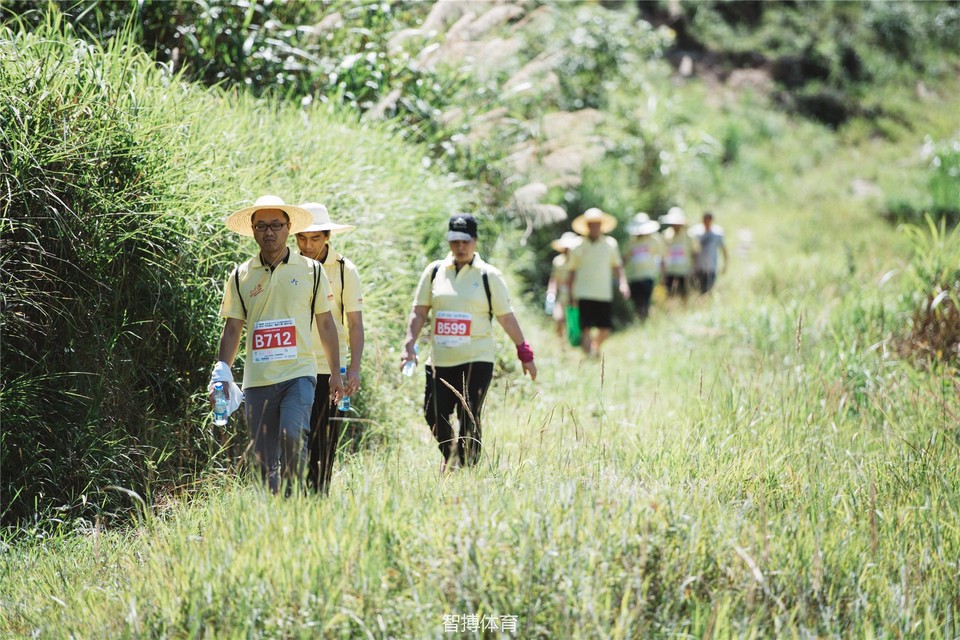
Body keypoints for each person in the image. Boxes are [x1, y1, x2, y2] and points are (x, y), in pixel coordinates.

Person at [209, 195, 344, 495]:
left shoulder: (312, 271)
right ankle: (274, 512)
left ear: (288, 228)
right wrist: (221, 374)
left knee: (293, 435)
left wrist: (336, 372)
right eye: (262, 226)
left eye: (276, 225)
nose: (269, 232)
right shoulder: (240, 275)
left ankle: (295, 500)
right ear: (254, 231)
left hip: (299, 374)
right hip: (257, 381)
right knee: (263, 457)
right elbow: (232, 328)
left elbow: (326, 323)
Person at [400, 213, 537, 471]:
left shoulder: (489, 276)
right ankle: (452, 458)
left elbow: (506, 318)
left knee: (469, 416)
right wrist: (409, 345)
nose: (460, 247)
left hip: (477, 358)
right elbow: (419, 311)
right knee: (433, 414)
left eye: (465, 241)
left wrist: (524, 352)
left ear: (475, 241)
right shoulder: (434, 272)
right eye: (454, 241)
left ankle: (467, 471)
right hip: (440, 359)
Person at [295, 202, 364, 495]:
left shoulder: (345, 270)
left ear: (327, 237)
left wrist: (354, 369)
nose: (308, 245)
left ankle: (318, 500)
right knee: (293, 439)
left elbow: (355, 323)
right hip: (293, 365)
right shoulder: (287, 267)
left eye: (315, 238)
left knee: (324, 440)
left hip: (329, 368)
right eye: (301, 238)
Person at [566, 207, 629, 356]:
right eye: (591, 224)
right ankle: (589, 357)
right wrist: (570, 293)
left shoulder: (610, 244)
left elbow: (618, 267)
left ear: (601, 225)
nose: (594, 227)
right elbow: (571, 271)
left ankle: (594, 348)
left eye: (597, 223)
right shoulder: (577, 245)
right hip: (583, 293)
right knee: (585, 328)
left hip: (603, 294)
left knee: (605, 329)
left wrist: (623, 283)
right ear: (587, 226)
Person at [623, 212, 664, 322]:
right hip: (634, 277)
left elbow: (661, 257)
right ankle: (639, 320)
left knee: (645, 301)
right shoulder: (631, 242)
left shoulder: (654, 240)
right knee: (637, 301)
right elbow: (625, 258)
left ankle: (644, 321)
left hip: (648, 276)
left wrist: (662, 275)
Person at [545, 231, 580, 341]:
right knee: (559, 319)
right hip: (562, 297)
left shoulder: (579, 261)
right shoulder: (558, 261)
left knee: (575, 323)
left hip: (576, 296)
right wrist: (551, 291)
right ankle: (561, 345)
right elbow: (554, 279)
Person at [659, 206, 696, 300]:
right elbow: (663, 255)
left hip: (684, 272)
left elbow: (694, 253)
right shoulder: (666, 234)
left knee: (684, 296)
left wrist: (692, 269)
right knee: (670, 296)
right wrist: (663, 274)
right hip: (670, 271)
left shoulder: (689, 235)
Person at [689, 210, 728, 294]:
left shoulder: (717, 234)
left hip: (711, 267)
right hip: (698, 267)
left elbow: (724, 249)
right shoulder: (696, 233)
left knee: (707, 291)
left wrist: (725, 265)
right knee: (697, 290)